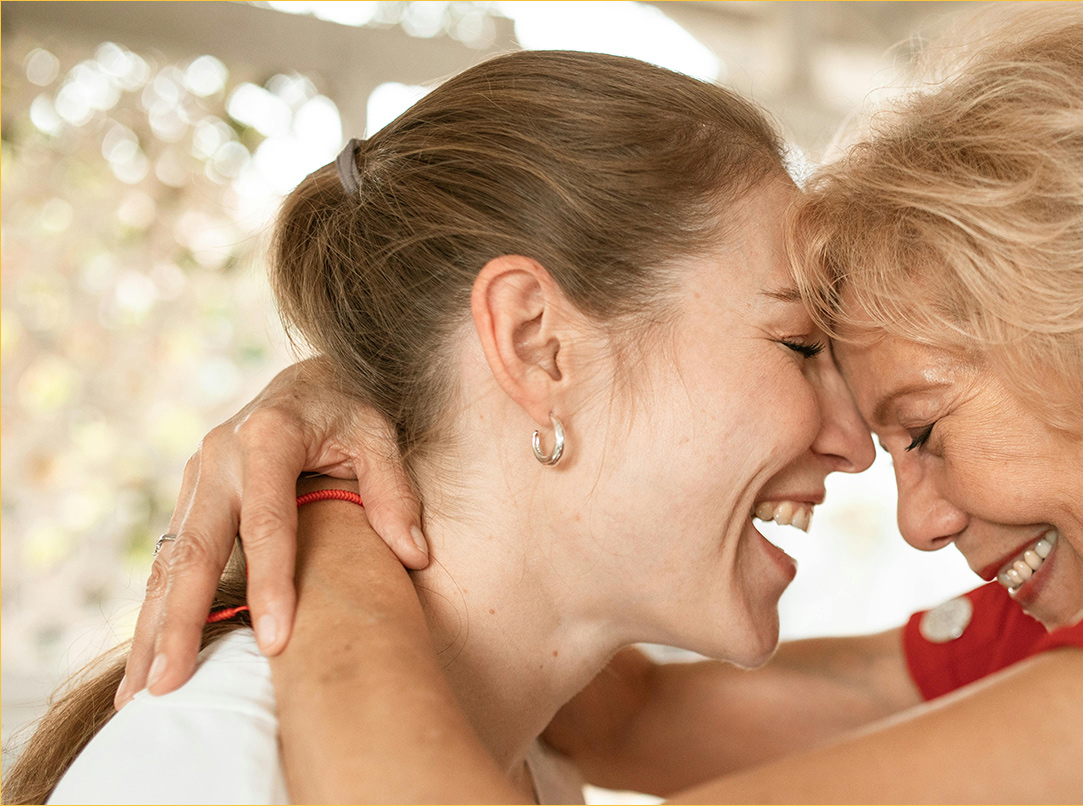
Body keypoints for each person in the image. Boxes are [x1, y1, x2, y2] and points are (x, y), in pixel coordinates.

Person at [104, 7, 1083, 804]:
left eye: (921, 422)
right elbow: (633, 717)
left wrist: (331, 516)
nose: (906, 507)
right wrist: (387, 399)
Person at [2, 49, 877, 805]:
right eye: (800, 346)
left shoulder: (531, 764)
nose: (857, 442)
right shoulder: (209, 766)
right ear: (536, 345)